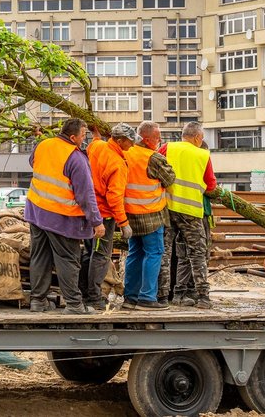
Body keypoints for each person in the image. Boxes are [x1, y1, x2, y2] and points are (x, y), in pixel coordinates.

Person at [25, 118, 106, 314]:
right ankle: (74, 304)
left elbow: (33, 163)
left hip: (36, 209)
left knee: (40, 256)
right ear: (72, 137)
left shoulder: (43, 145)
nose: (84, 139)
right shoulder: (76, 158)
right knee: (68, 259)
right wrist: (97, 222)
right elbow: (86, 195)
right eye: (83, 135)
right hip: (61, 216)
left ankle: (38, 301)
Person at [159, 122, 217, 309]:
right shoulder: (202, 154)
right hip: (191, 213)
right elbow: (211, 186)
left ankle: (162, 297)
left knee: (164, 254)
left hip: (167, 209)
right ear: (198, 138)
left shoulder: (168, 148)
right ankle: (203, 298)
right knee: (197, 254)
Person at [79, 123, 135, 310]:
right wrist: (124, 222)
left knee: (88, 252)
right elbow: (114, 197)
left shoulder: (98, 146)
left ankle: (84, 292)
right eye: (129, 141)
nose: (132, 145)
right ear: (119, 141)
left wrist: (95, 135)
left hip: (86, 210)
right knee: (101, 255)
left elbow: (94, 143)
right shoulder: (117, 164)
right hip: (103, 216)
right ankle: (94, 297)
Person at [122, 121, 175, 311]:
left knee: (135, 253)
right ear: (147, 139)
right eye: (157, 138)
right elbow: (169, 178)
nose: (159, 141)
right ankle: (147, 298)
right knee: (154, 253)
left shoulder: (127, 153)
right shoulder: (153, 158)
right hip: (150, 213)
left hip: (129, 214)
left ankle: (130, 297)